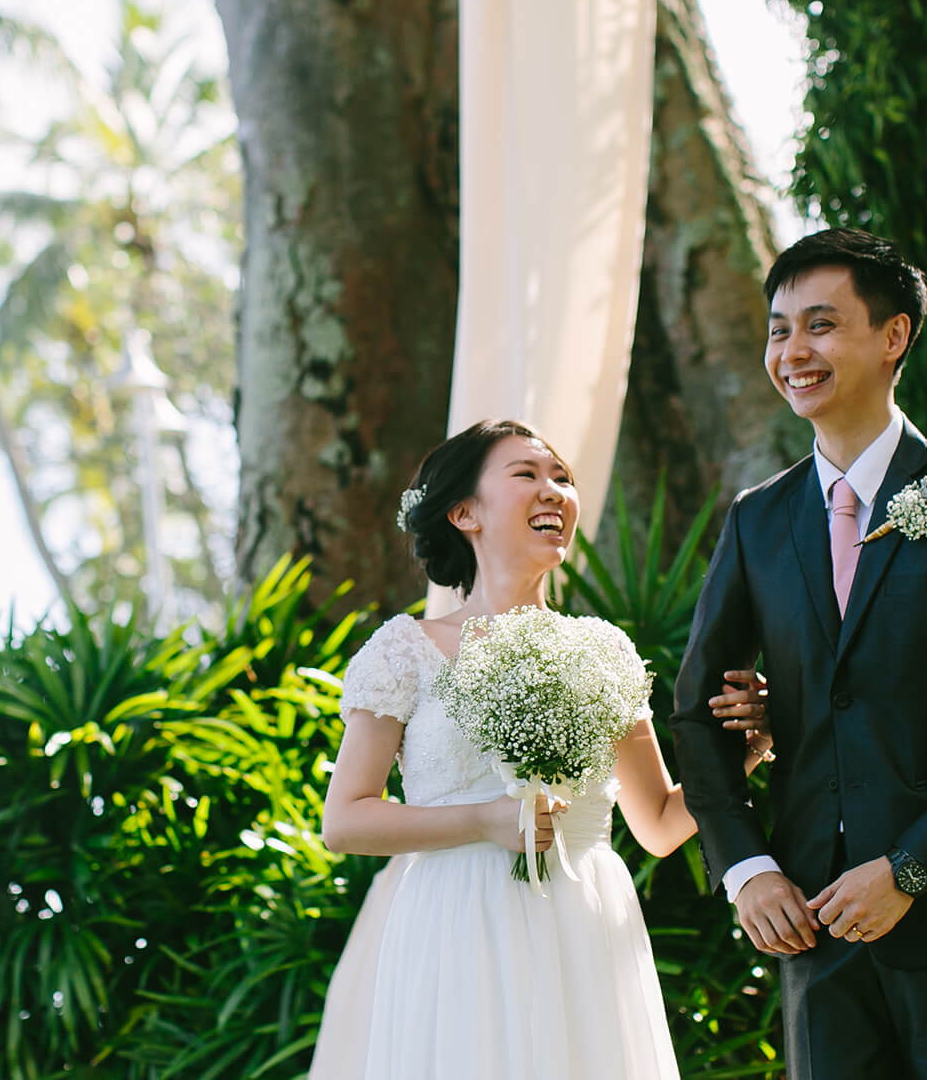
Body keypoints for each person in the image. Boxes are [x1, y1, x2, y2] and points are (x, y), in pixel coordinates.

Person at [669, 228, 927, 1079]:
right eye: (779, 329)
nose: (792, 352)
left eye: (820, 325)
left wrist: (909, 870)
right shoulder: (758, 519)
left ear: (893, 336)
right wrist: (748, 870)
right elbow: (697, 711)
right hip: (814, 930)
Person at [310, 418, 770, 1080]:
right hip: (456, 929)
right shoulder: (404, 651)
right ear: (464, 512)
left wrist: (746, 753)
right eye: (527, 475)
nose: (554, 491)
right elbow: (345, 820)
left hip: (582, 924)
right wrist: (483, 820)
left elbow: (662, 824)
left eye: (564, 479)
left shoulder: (603, 649)